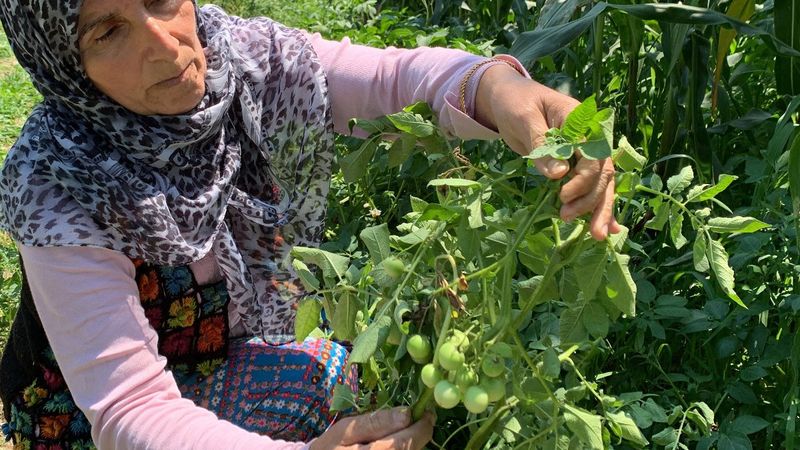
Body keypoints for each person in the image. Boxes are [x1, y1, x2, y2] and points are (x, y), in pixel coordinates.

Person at [0, 0, 619, 449]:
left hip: (219, 350)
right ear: (64, 63)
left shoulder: (242, 63)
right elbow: (129, 409)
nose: (165, 45)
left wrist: (496, 86)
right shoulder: (60, 181)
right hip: (80, 422)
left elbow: (392, 79)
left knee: (340, 376)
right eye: (108, 31)